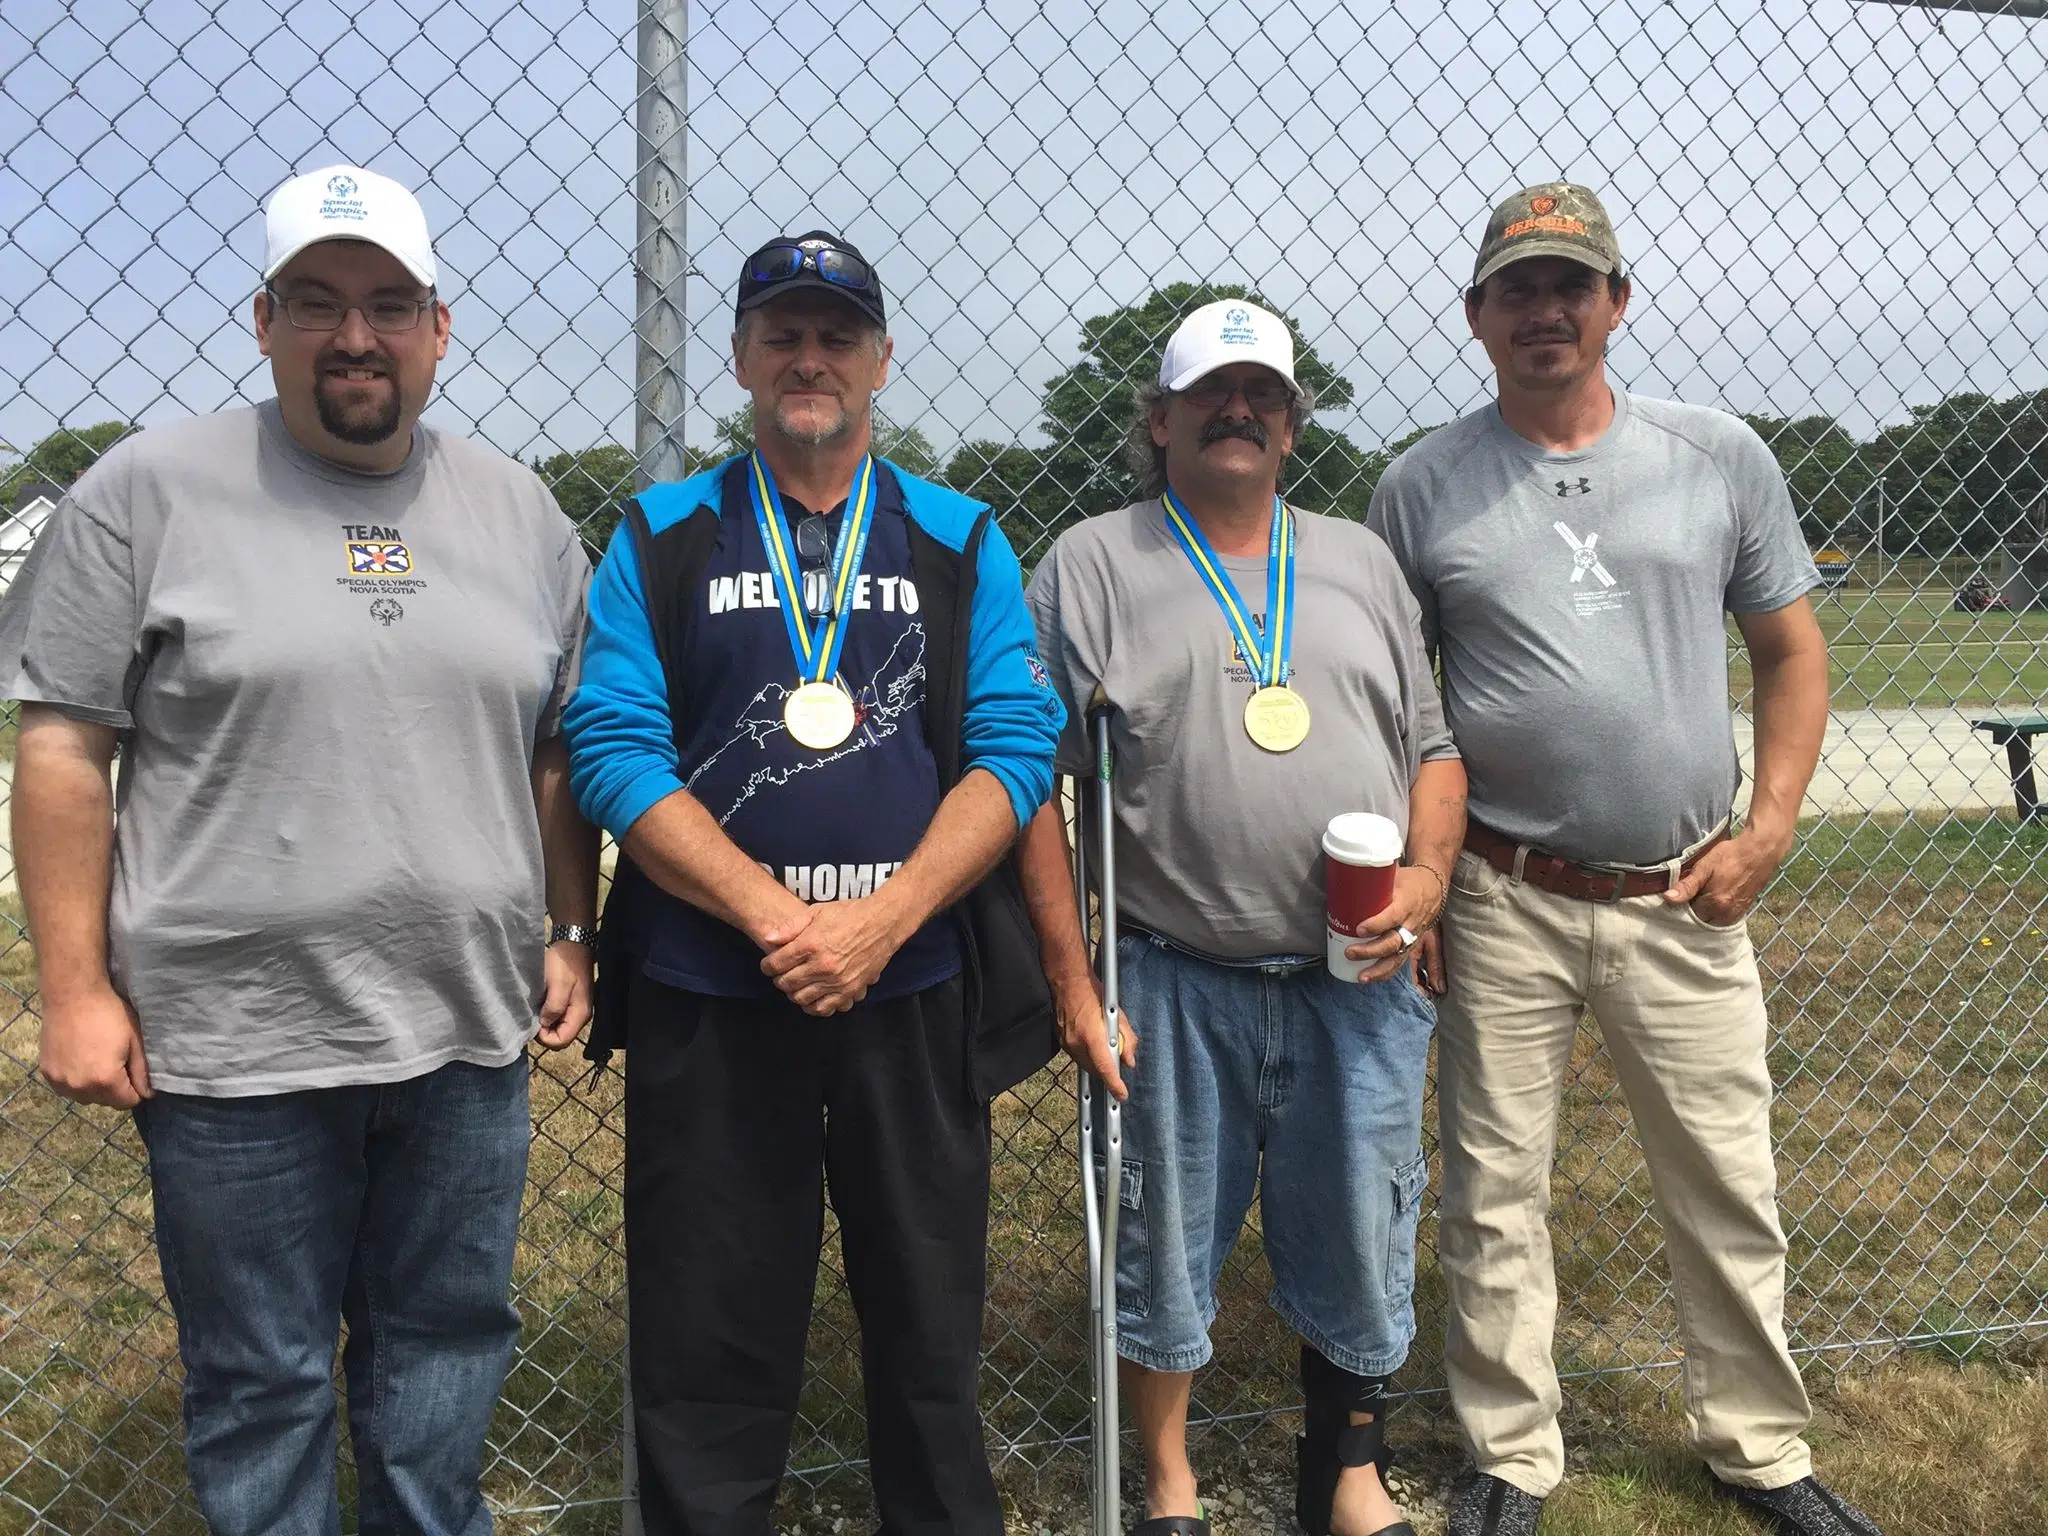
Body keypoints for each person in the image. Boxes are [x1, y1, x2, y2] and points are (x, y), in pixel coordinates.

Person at [2, 164, 597, 1535]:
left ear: (439, 329)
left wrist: (569, 927)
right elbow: (61, 746)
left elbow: (562, 748)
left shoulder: (522, 517)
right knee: (261, 1381)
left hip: (464, 1034)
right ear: (264, 320)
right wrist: (77, 988)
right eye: (318, 303)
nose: (356, 336)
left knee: (446, 1353)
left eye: (391, 305)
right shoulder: (146, 494)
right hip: (235, 1045)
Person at [1368, 182, 1875, 1536]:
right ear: (1476, 316)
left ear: (1617, 303)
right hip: (1505, 889)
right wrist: (1421, 881)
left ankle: (1760, 1449)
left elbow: (1791, 652)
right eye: (1517, 290)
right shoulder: (1421, 483)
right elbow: (1394, 702)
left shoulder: (1716, 456)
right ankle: (1510, 1454)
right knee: (1490, 1184)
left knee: (1725, 1176)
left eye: (1571, 286)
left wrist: (1768, 827)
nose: (1546, 311)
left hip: (1687, 885)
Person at [563, 230, 1063, 1536]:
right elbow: (611, 745)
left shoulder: (959, 539)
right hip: (714, 993)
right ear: (737, 358)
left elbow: (1015, 749)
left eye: (837, 335)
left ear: (881, 361)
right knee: (706, 1343)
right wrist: (781, 919)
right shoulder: (663, 534)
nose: (809, 358)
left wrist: (885, 920)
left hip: (913, 995)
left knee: (929, 1337)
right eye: (780, 333)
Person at [1018, 298, 1466, 1536]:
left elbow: (1432, 750)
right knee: (1163, 1243)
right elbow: (1026, 791)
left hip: (1356, 976)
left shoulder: (1356, 560)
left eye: (1262, 394)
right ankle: (1167, 1481)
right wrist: (1071, 981)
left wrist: (1425, 883)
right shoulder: (1090, 565)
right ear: (1156, 421)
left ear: (1288, 422)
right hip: (1170, 970)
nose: (1238, 411)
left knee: (1364, 1227)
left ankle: (1348, 1475)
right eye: (1210, 394)